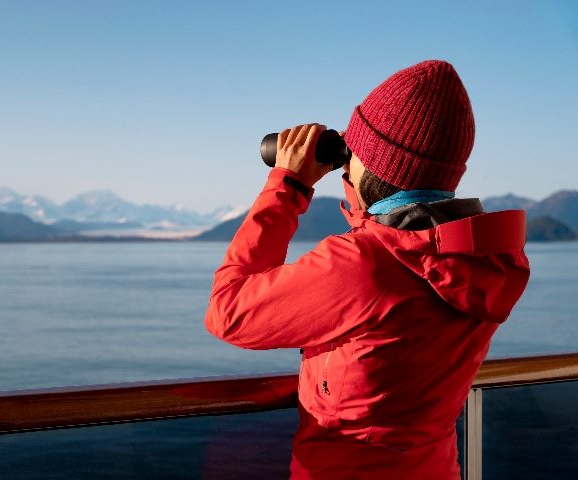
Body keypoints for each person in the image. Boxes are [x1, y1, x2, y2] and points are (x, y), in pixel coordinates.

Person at [204, 60, 530, 479]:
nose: (344, 163)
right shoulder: (481, 261)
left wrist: (289, 185)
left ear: (375, 166)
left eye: (352, 151)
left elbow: (228, 312)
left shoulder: (363, 264)